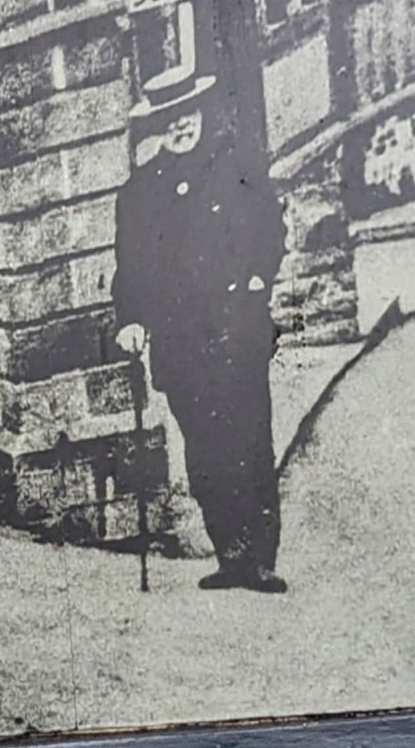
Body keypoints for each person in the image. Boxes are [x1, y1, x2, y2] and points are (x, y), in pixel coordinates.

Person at [113, 65, 287, 592]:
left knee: (249, 441)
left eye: (186, 114)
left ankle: (260, 557)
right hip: (180, 339)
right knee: (205, 449)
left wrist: (259, 277)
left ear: (201, 113)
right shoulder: (140, 192)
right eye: (169, 120)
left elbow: (270, 227)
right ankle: (230, 553)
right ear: (156, 128)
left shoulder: (237, 166)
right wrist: (131, 319)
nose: (180, 126)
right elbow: (131, 265)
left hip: (237, 328)